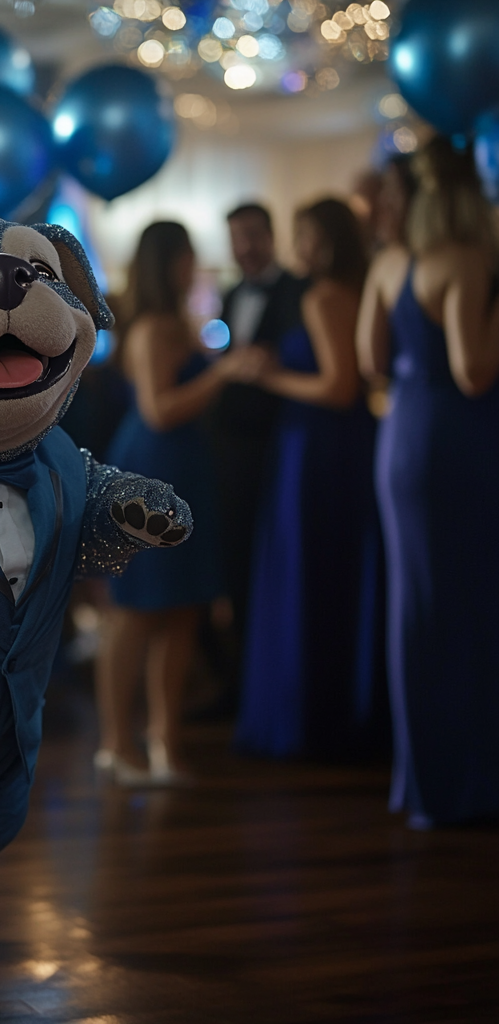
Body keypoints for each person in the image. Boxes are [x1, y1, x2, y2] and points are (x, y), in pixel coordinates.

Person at [357, 137, 499, 828]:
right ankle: (467, 780)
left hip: (403, 436)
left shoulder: (387, 265)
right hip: (460, 438)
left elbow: (371, 360)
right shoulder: (466, 261)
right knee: (471, 601)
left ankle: (421, 779)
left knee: (417, 603)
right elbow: (475, 371)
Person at [95, 222, 266, 785]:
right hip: (153, 475)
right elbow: (160, 410)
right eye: (188, 256)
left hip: (187, 469)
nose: (195, 265)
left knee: (185, 606)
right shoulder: (151, 329)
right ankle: (117, 743)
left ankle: (165, 740)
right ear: (167, 262)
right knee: (137, 610)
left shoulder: (175, 323)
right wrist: (222, 372)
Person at [235, 199, 386, 760]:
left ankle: (308, 712)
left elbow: (338, 387)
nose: (299, 249)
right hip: (349, 448)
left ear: (322, 240)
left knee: (307, 570)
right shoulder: (359, 287)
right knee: (340, 572)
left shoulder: (323, 295)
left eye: (304, 235)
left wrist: (271, 376)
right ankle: (345, 703)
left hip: (315, 447)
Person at [205, 204, 307, 702]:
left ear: (271, 236)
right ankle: (238, 681)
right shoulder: (228, 294)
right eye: (235, 238)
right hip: (232, 446)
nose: (243, 247)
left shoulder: (298, 291)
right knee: (236, 558)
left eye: (250, 236)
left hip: (282, 441)